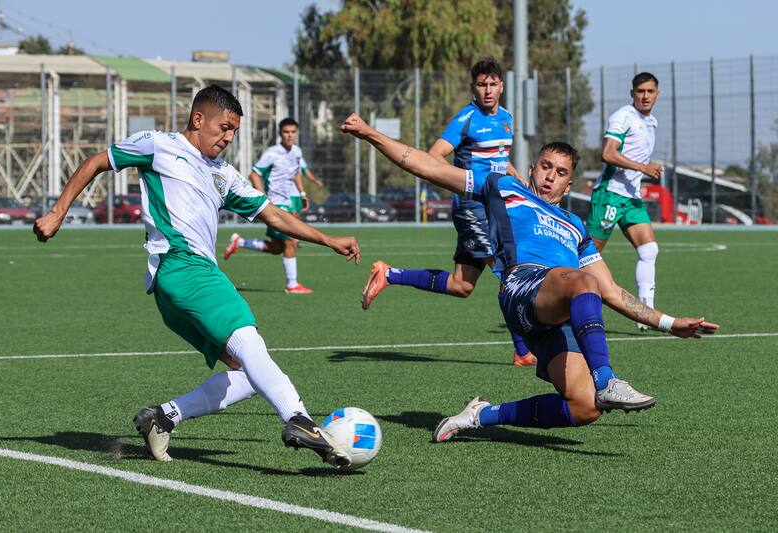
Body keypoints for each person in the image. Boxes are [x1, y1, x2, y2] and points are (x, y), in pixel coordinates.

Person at [34, 85, 360, 468]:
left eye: (234, 132)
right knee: (249, 340)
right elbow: (96, 162)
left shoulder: (223, 175)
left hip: (174, 289)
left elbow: (274, 216)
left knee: (248, 372)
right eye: (224, 127)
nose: (228, 138)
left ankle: (164, 417)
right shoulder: (158, 145)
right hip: (184, 265)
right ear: (198, 119)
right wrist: (58, 212)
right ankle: (298, 418)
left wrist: (327, 239)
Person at [340, 113, 717, 440]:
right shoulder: (503, 187)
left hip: (558, 311)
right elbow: (424, 165)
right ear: (533, 168)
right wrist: (370, 133)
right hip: (523, 287)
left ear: (570, 185)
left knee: (584, 408)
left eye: (561, 173)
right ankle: (608, 380)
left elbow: (614, 292)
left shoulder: (575, 226)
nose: (551, 176)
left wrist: (669, 323)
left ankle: (480, 415)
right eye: (546, 167)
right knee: (582, 282)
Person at [359, 57, 536, 366]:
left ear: (502, 86)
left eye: (493, 84)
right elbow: (435, 155)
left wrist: (518, 178)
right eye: (482, 85)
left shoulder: (506, 117)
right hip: (474, 210)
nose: (488, 90)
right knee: (510, 274)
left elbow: (499, 158)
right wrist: (460, 184)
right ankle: (523, 351)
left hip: (496, 208)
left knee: (462, 285)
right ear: (474, 87)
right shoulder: (466, 118)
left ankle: (389, 274)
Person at [587, 72, 662, 331]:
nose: (645, 96)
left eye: (650, 91)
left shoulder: (651, 122)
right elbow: (607, 153)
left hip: (631, 197)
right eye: (640, 91)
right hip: (610, 194)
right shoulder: (623, 117)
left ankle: (646, 312)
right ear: (632, 94)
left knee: (649, 250)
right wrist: (643, 167)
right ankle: (555, 298)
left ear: (657, 94)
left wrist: (642, 173)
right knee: (586, 256)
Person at [224, 117, 324, 294]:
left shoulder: (296, 152)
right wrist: (262, 196)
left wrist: (301, 194)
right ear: (280, 133)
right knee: (292, 240)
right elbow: (254, 174)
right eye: (286, 132)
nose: (290, 135)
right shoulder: (272, 153)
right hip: (276, 205)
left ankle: (240, 242)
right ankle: (292, 284)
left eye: (293, 132)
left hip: (287, 202)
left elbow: (296, 174)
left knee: (278, 248)